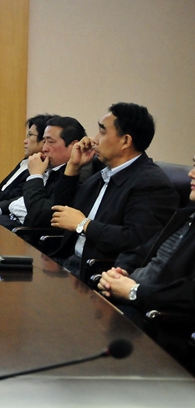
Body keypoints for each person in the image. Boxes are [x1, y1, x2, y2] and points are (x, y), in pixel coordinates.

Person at [48, 103, 178, 280]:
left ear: (125, 141)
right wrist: (73, 166)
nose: (94, 140)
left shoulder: (151, 184)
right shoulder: (105, 173)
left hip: (95, 273)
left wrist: (84, 225)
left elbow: (137, 240)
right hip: (67, 262)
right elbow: (59, 210)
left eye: (102, 133)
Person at [97, 156, 195, 317]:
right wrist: (121, 272)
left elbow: (187, 294)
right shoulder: (186, 214)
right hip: (131, 295)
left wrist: (134, 292)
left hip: (155, 315)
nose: (191, 173)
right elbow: (142, 250)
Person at [0, 115, 91, 230]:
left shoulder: (74, 176)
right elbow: (23, 198)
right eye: (44, 141)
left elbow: (39, 216)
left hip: (24, 233)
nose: (44, 148)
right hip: (8, 221)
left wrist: (35, 176)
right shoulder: (51, 167)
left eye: (50, 142)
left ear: (73, 145)